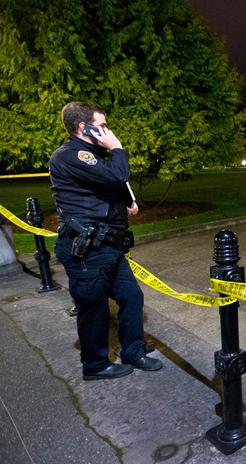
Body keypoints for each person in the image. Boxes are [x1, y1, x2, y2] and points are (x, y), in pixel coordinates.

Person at [49, 101, 162, 381]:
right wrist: (118, 147)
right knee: (94, 307)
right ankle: (95, 364)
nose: (106, 131)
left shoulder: (90, 154)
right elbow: (116, 175)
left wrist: (127, 201)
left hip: (107, 246)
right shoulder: (71, 155)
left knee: (131, 296)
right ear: (81, 126)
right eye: (101, 126)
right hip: (88, 250)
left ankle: (133, 351)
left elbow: (110, 184)